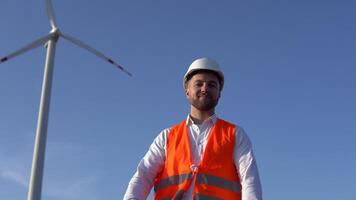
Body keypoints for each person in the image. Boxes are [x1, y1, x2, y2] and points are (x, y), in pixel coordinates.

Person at [124, 57, 262, 200]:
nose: (205, 89)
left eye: (212, 85)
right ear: (187, 91)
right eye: (199, 84)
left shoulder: (235, 135)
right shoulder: (166, 137)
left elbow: (250, 181)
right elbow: (143, 176)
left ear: (219, 93)